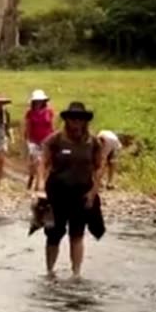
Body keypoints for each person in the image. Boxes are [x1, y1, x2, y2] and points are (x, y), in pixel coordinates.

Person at [37, 102, 106, 279]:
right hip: (55, 192)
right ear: (66, 119)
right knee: (53, 234)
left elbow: (99, 167)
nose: (76, 122)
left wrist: (93, 193)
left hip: (81, 193)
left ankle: (76, 273)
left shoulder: (93, 142)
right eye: (72, 118)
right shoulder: (55, 139)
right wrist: (39, 188)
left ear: (85, 121)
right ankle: (50, 271)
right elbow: (43, 163)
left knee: (77, 234)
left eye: (80, 118)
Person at [23, 89, 55, 191]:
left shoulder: (49, 112)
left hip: (46, 141)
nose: (39, 102)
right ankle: (34, 182)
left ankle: (39, 185)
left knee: (45, 163)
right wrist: (28, 140)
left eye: (40, 101)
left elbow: (51, 126)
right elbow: (27, 127)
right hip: (34, 141)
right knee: (36, 163)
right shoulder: (30, 113)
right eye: (37, 101)